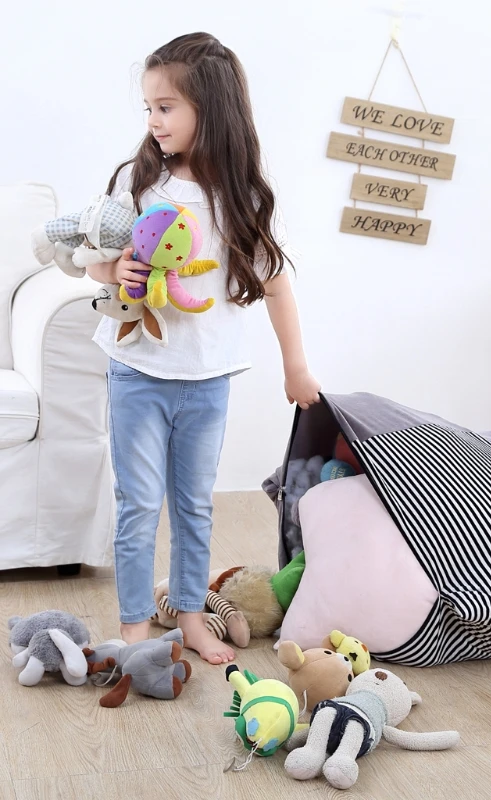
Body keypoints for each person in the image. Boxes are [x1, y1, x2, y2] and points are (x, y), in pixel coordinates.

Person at [86, 32, 320, 664]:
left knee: (193, 506)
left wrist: (295, 367)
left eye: (166, 107)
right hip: (137, 371)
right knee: (139, 504)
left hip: (207, 380)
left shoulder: (242, 197)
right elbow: (94, 259)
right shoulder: (137, 181)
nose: (153, 120)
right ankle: (136, 629)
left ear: (209, 109)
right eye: (149, 108)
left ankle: (190, 616)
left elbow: (275, 285)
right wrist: (113, 271)